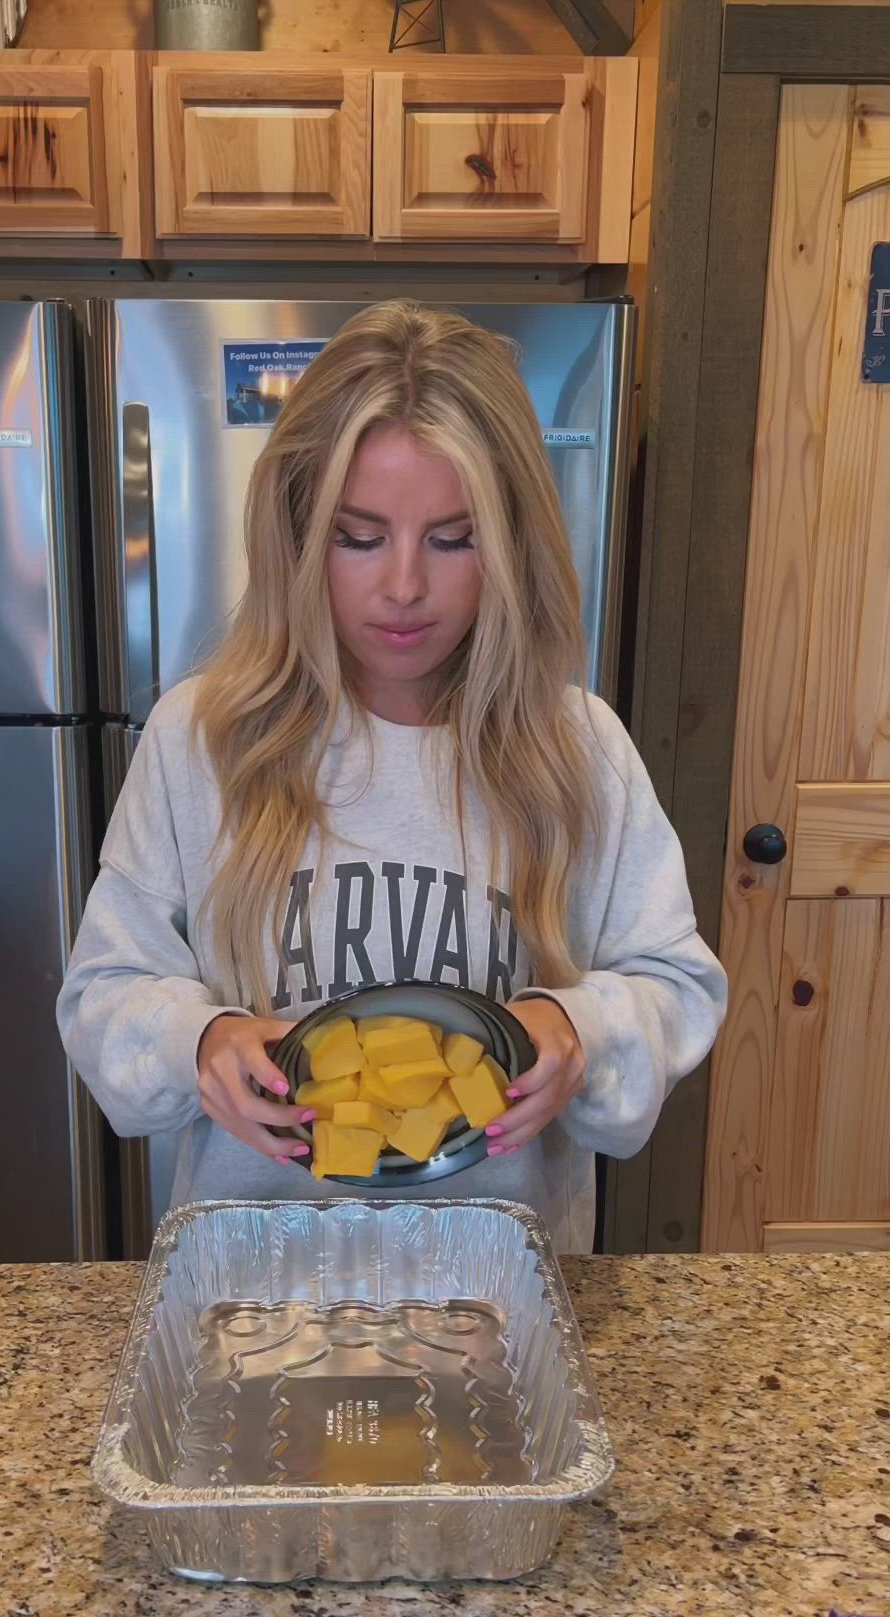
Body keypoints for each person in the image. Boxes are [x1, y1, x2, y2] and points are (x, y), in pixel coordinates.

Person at [58, 301, 726, 1253]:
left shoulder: (581, 750)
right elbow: (101, 994)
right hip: (256, 1288)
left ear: (511, 543)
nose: (404, 586)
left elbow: (678, 985)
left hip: (498, 1296)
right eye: (359, 536)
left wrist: (581, 1028)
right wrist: (195, 1041)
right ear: (295, 533)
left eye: (453, 539)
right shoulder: (197, 743)